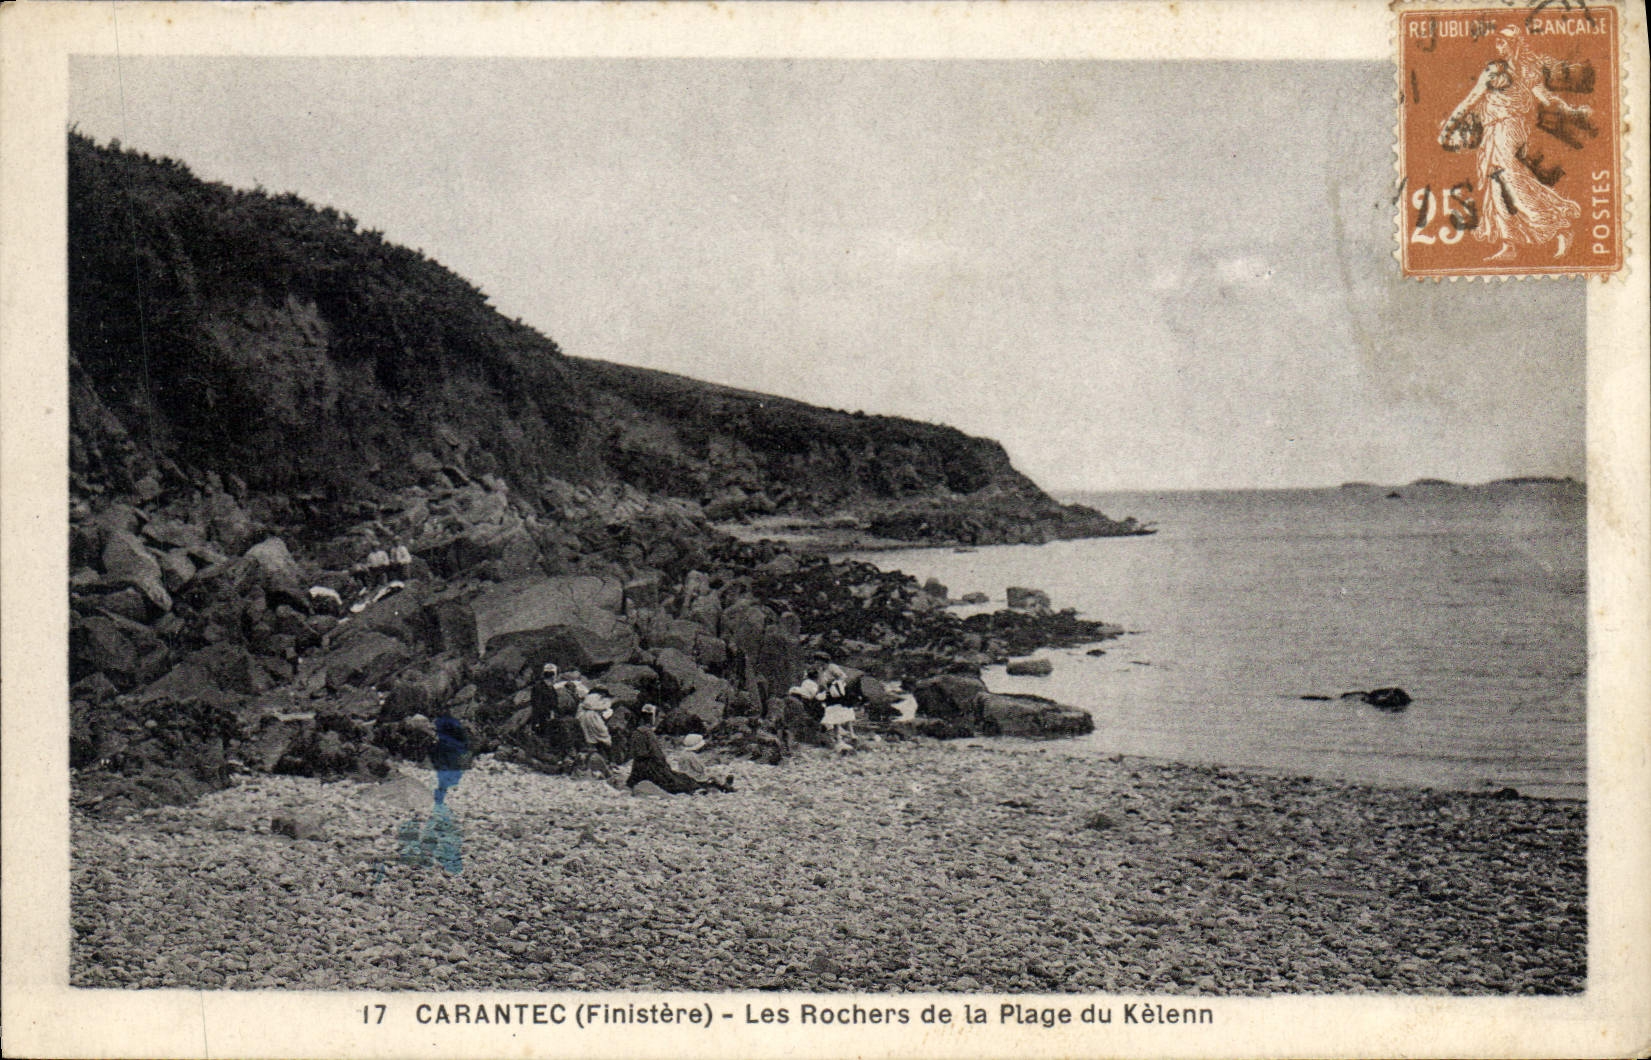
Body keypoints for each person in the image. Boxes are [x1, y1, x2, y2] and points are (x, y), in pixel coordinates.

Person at [1438, 24, 1590, 261]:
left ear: (1515, 44)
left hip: (1511, 130)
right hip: (1493, 131)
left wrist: (1570, 109)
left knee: (1512, 180)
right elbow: (1472, 98)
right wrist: (1451, 124)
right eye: (1498, 43)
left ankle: (1559, 226)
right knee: (1496, 184)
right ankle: (1509, 244)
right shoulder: (1493, 70)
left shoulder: (1528, 69)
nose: (1499, 47)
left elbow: (1544, 97)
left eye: (1503, 42)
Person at [627, 706, 731, 793]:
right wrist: (665, 767)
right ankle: (713, 786)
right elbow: (657, 755)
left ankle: (715, 785)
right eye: (658, 717)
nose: (659, 720)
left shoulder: (636, 732)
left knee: (681, 777)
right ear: (652, 718)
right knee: (681, 781)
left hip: (639, 768)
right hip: (652, 769)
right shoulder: (648, 733)